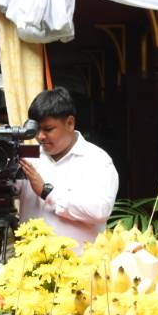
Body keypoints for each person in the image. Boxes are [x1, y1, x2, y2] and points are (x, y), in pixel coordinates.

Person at [16, 88, 119, 246]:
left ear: (70, 123)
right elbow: (7, 188)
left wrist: (47, 191)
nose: (40, 136)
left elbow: (100, 211)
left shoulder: (97, 160)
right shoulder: (29, 157)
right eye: (37, 130)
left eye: (48, 129)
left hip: (80, 266)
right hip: (28, 266)